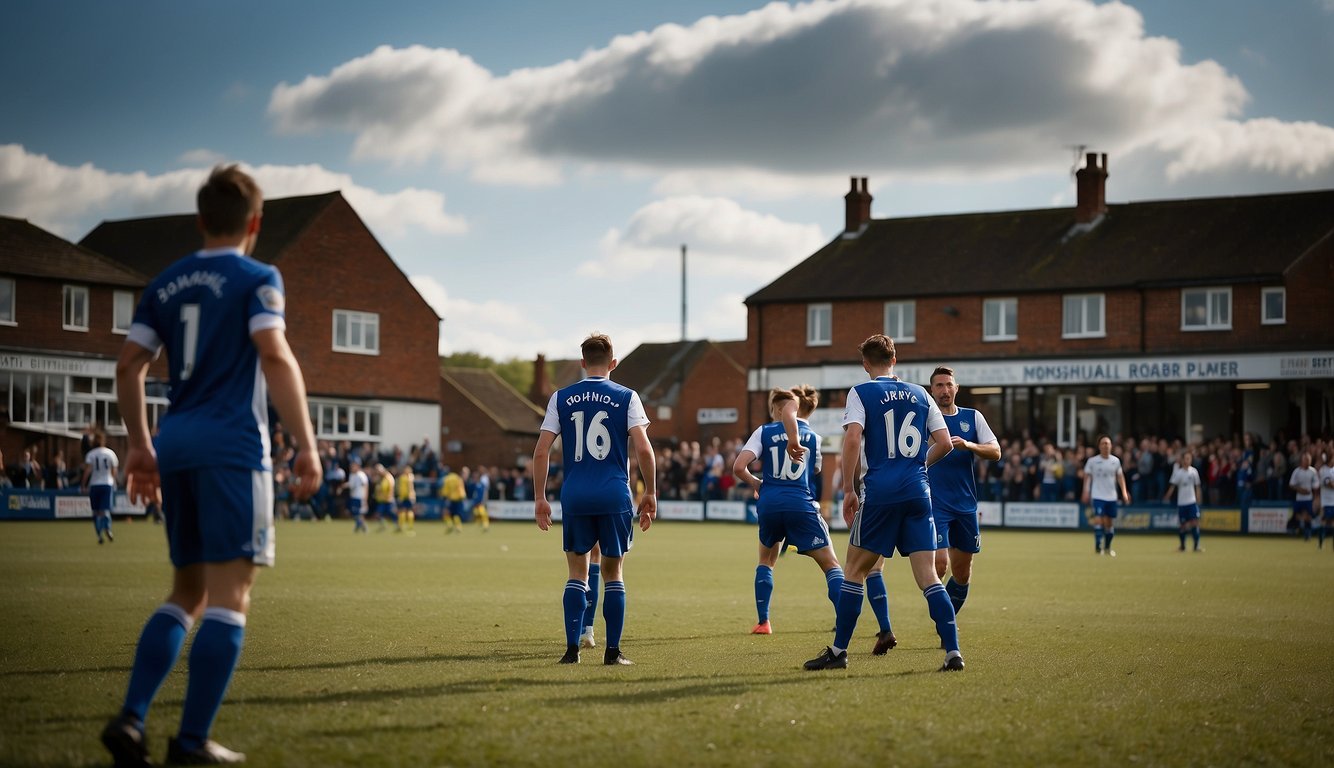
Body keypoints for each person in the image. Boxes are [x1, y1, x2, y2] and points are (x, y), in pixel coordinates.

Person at [101, 164, 321, 767]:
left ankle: (131, 717)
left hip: (176, 443)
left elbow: (128, 367)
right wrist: (306, 443)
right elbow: (273, 354)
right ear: (255, 223)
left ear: (200, 220)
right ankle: (192, 741)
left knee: (185, 592)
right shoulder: (258, 276)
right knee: (230, 596)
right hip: (232, 448)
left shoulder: (164, 282)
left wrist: (141, 446)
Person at [805, 334, 962, 673]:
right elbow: (946, 443)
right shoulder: (921, 393)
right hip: (919, 494)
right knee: (929, 577)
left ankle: (838, 651)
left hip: (881, 494)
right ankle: (953, 652)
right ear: (895, 359)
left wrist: (848, 488)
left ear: (866, 364)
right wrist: (919, 464)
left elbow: (852, 439)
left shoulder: (861, 392)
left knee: (854, 571)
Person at [532, 333, 656, 666]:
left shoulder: (561, 398)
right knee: (613, 573)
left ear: (583, 363)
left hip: (575, 495)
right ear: (613, 363)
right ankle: (612, 653)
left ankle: (571, 650)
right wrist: (651, 492)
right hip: (614, 493)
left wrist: (540, 497)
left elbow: (542, 449)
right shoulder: (627, 397)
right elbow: (644, 448)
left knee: (577, 573)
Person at [733, 386, 844, 635]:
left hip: (770, 503)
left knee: (766, 561)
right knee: (831, 565)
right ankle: (844, 619)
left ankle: (763, 623)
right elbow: (814, 471)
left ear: (776, 409)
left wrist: (756, 483)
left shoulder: (763, 431)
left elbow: (739, 467)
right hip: (800, 503)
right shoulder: (813, 437)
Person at [924, 366, 1000, 617]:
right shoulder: (924, 419)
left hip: (965, 504)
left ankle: (946, 619)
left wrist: (969, 445)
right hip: (936, 503)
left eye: (948, 385)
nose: (945, 390)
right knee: (939, 563)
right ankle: (945, 623)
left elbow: (995, 451)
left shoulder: (973, 417)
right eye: (939, 386)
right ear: (931, 390)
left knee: (963, 572)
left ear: (956, 388)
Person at [1083, 436, 1131, 556]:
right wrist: (1086, 491)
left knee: (1109, 523)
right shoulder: (1092, 461)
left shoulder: (1115, 461)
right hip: (1098, 495)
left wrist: (1124, 492)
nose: (1106, 446)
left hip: (1111, 496)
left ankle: (1108, 547)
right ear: (1099, 446)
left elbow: (1120, 477)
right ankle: (1098, 546)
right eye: (1103, 443)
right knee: (1099, 519)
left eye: (1108, 443)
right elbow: (1087, 476)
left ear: (1111, 446)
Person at [82, 432, 119, 545]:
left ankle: (99, 535)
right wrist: (113, 481)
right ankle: (107, 528)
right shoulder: (110, 453)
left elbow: (88, 470)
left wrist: (83, 484)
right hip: (107, 484)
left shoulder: (91, 454)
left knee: (95, 511)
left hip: (94, 484)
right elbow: (114, 470)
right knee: (105, 509)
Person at [1164, 450, 1204, 552]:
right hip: (1182, 503)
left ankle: (1196, 546)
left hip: (1192, 502)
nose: (1187, 460)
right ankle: (1182, 546)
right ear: (1182, 460)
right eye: (1185, 458)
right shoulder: (1179, 473)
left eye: (1188, 458)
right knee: (1182, 525)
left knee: (1194, 522)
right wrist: (1167, 496)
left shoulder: (1194, 472)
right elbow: (1172, 486)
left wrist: (1198, 497)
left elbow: (1197, 486)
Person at [1289, 452, 1319, 541]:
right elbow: (1291, 484)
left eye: (1309, 460)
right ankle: (1296, 530)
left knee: (1308, 516)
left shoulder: (1313, 471)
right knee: (1297, 515)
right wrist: (1300, 490)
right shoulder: (1297, 471)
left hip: (1308, 498)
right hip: (1299, 498)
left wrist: (1313, 492)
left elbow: (1316, 484)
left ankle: (1307, 533)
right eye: (1306, 460)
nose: (1308, 461)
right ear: (1302, 461)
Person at [343, 459, 369, 533]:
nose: (352, 467)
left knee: (358, 513)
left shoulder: (361, 475)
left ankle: (363, 526)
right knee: (355, 513)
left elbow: (365, 486)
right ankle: (358, 526)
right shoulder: (352, 475)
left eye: (353, 465)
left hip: (359, 497)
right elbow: (351, 485)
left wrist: (365, 498)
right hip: (353, 496)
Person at [440, 465, 466, 533]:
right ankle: (458, 527)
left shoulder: (447, 479)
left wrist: (444, 497)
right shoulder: (458, 478)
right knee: (456, 514)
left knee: (445, 512)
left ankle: (449, 525)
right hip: (459, 498)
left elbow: (445, 491)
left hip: (451, 499)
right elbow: (461, 489)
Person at [1318, 451, 1334, 549]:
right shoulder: (1323, 470)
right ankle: (1321, 544)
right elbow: (1328, 483)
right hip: (1326, 502)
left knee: (1333, 523)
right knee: (1324, 521)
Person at [372, 463, 395, 532]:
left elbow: (389, 488)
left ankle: (398, 525)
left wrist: (389, 496)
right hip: (381, 499)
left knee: (392, 513)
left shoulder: (388, 477)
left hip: (388, 499)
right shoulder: (380, 477)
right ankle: (383, 526)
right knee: (379, 513)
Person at [395, 464, 417, 534]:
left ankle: (402, 526)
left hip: (405, 496)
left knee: (403, 511)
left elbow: (402, 488)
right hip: (408, 496)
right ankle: (408, 526)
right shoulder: (410, 477)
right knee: (407, 511)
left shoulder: (404, 477)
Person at [470, 465, 491, 532]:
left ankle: (486, 525)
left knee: (482, 513)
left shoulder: (482, 484)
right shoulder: (475, 484)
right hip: (476, 501)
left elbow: (484, 493)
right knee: (476, 513)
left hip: (480, 501)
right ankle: (480, 524)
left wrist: (484, 500)